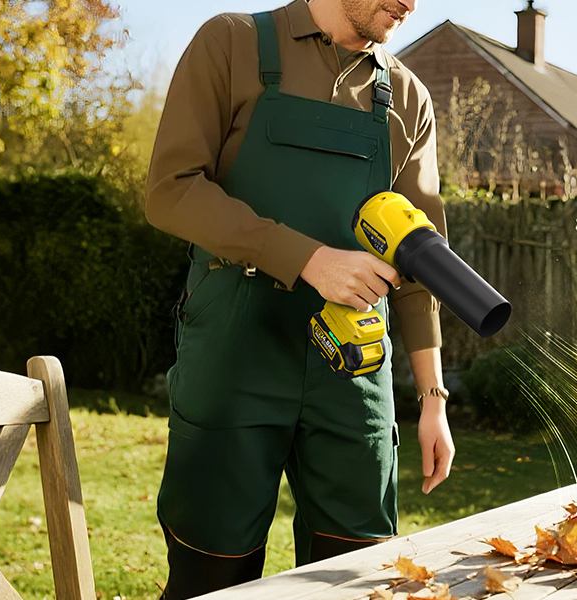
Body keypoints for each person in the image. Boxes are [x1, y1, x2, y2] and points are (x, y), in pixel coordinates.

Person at [144, 0, 453, 597]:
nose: (410, 3)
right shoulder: (232, 43)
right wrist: (311, 260)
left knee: (356, 577)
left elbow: (420, 254)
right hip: (235, 351)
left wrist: (433, 397)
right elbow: (171, 191)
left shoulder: (408, 97)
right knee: (213, 573)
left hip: (353, 368)